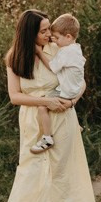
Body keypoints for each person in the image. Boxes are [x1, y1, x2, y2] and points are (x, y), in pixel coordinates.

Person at [2, 8, 96, 202]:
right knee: (32, 174)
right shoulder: (14, 58)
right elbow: (15, 96)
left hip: (61, 117)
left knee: (61, 171)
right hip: (34, 120)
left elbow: (80, 80)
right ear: (29, 33)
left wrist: (72, 101)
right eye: (43, 31)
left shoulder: (57, 49)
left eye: (49, 30)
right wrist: (45, 103)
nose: (48, 34)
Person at [30, 12, 86, 153]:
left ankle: (47, 138)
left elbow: (53, 67)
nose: (54, 40)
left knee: (42, 106)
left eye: (57, 38)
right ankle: (76, 125)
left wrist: (40, 53)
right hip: (74, 89)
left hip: (66, 91)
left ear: (68, 37)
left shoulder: (64, 52)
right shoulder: (76, 48)